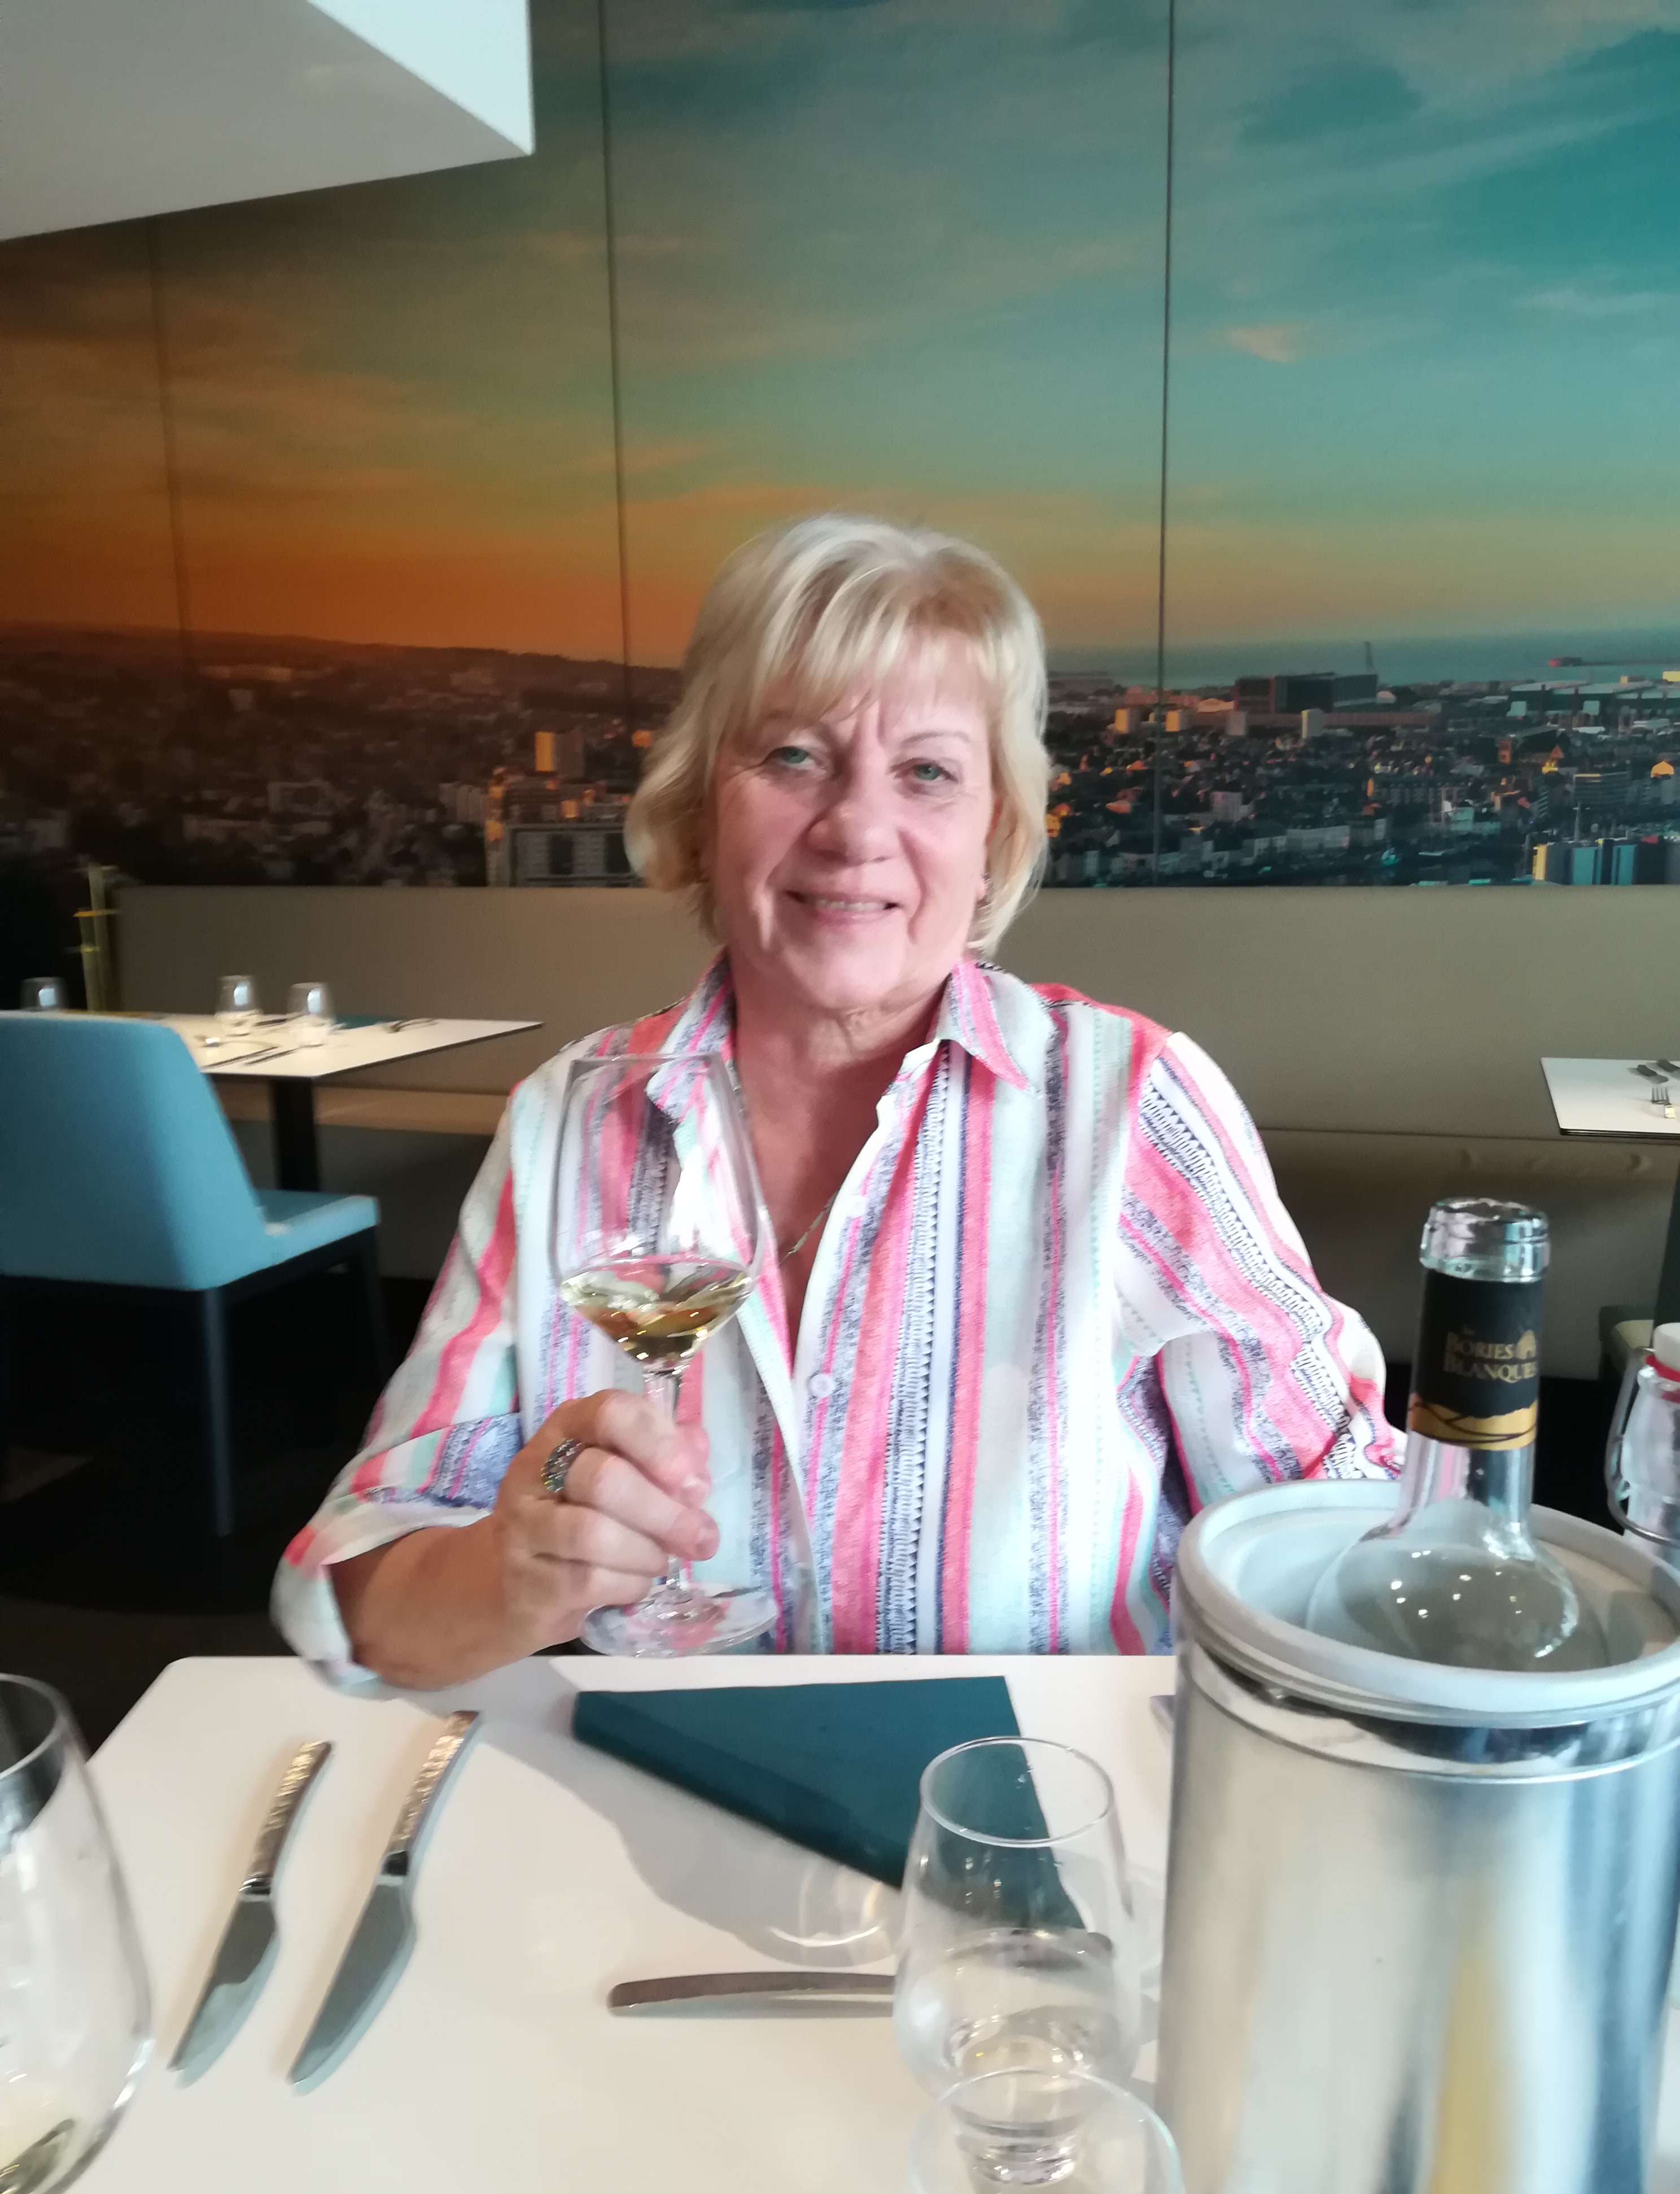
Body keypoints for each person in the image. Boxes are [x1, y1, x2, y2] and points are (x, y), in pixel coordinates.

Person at [273, 515, 1400, 1686]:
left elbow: (1341, 1543)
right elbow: (358, 1605)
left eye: (928, 772)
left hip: (1032, 1792)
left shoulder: (1130, 1107)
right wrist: (506, 1574)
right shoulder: (569, 1122)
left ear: (995, 831)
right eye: (793, 757)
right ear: (701, 803)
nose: (858, 828)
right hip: (656, 1789)